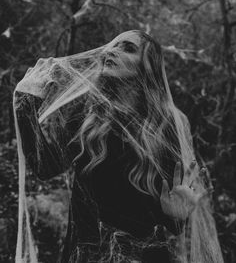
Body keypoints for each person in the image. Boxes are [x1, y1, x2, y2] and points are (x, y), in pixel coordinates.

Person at [13, 30, 223, 263]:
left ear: (146, 66)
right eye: (113, 45)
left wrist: (176, 216)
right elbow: (45, 166)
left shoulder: (165, 126)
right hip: (88, 255)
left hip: (144, 256)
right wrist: (26, 105)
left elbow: (170, 218)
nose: (111, 50)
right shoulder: (86, 118)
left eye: (128, 48)